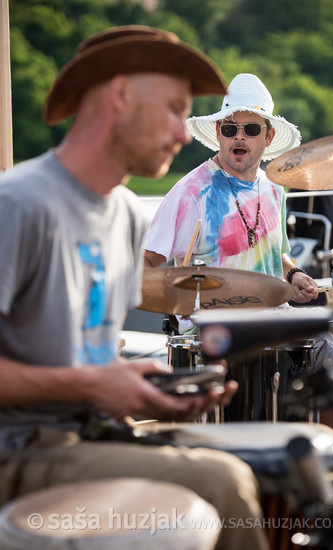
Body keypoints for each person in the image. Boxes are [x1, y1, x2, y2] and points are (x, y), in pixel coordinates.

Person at [0, 26, 269, 550]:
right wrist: (95, 387)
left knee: (269, 463)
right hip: (19, 451)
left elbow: (82, 358)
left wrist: (140, 385)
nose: (181, 131)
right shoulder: (20, 205)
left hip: (90, 435)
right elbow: (78, 379)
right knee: (225, 482)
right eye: (173, 108)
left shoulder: (124, 211)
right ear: (121, 96)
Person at [144, 73, 319, 328]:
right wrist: (170, 302)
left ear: (268, 138)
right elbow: (146, 262)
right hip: (215, 337)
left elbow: (274, 256)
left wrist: (294, 274)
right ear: (218, 133)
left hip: (274, 326)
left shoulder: (274, 189)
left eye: (251, 129)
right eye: (229, 129)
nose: (238, 137)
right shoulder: (190, 193)